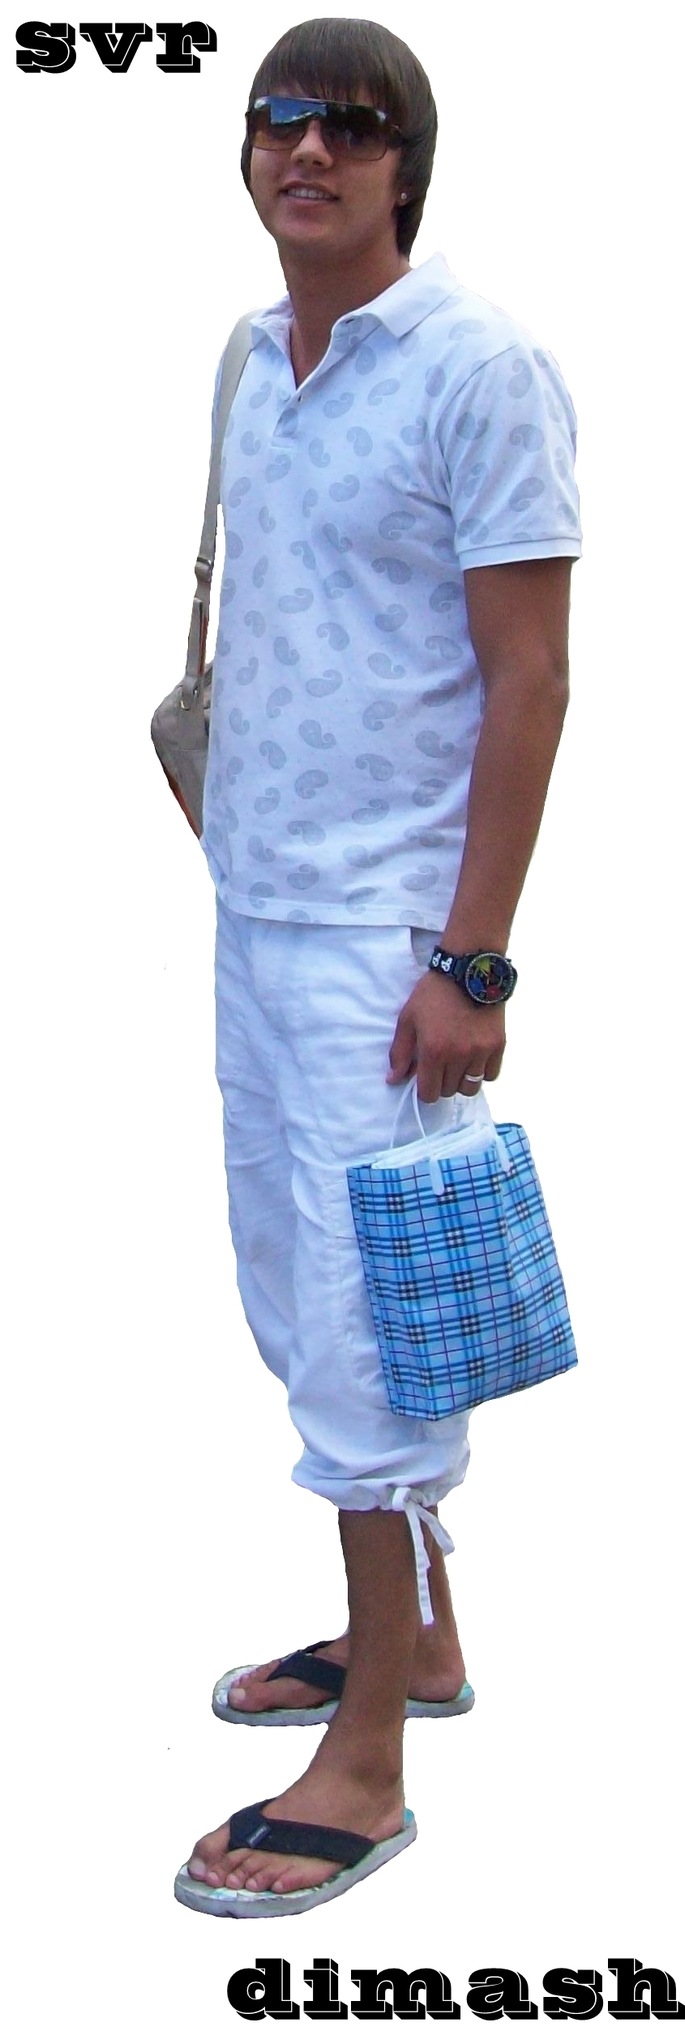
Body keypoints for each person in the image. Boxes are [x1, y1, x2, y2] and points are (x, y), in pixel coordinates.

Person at [175, 16, 581, 1916]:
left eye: (351, 124)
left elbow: (531, 678)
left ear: (406, 161)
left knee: (368, 1329)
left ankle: (368, 1765)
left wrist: (471, 965)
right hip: (254, 908)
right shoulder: (253, 358)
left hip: (383, 941)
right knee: (295, 1289)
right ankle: (408, 1634)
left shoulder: (479, 368)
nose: (309, 149)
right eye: (280, 119)